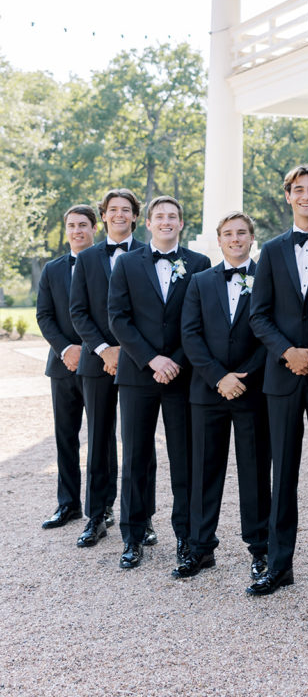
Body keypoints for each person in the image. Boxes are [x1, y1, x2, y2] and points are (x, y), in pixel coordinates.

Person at [248, 165, 308, 596]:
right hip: (281, 378)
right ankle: (278, 565)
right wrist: (289, 352)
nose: (305, 196)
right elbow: (258, 315)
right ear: (288, 197)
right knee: (281, 474)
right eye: (297, 190)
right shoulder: (270, 250)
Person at [108, 195, 210, 570]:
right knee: (135, 457)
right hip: (138, 374)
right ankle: (133, 537)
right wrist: (152, 359)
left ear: (181, 223)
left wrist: (176, 361)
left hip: (183, 377)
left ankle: (187, 537)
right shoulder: (126, 263)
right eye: (159, 216)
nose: (166, 221)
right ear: (147, 223)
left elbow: (201, 321)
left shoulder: (199, 264)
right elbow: (118, 318)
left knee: (185, 460)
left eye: (173, 216)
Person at [177, 212, 270, 582]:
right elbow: (190, 334)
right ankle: (200, 548)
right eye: (228, 234)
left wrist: (243, 375)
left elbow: (270, 331)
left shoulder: (268, 277)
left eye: (242, 233)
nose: (235, 239)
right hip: (208, 390)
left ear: (252, 238)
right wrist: (219, 377)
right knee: (204, 470)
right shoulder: (200, 282)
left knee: (255, 471)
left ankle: (260, 549)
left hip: (252, 389)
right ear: (219, 240)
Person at [70, 188, 147, 550]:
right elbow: (79, 312)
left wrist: (131, 352)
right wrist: (104, 350)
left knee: (139, 444)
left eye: (126, 209)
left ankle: (142, 517)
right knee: (99, 440)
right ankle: (97, 515)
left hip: (139, 364)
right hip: (97, 361)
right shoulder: (87, 259)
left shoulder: (151, 254)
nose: (119, 215)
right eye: (112, 209)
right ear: (104, 216)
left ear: (135, 215)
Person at [36, 205, 97, 530]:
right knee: (65, 437)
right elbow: (44, 315)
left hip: (99, 365)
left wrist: (87, 350)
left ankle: (101, 507)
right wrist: (65, 349)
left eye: (83, 225)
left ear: (93, 229)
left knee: (102, 438)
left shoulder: (106, 264)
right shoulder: (52, 269)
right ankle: (68, 504)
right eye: (72, 225)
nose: (77, 231)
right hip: (62, 366)